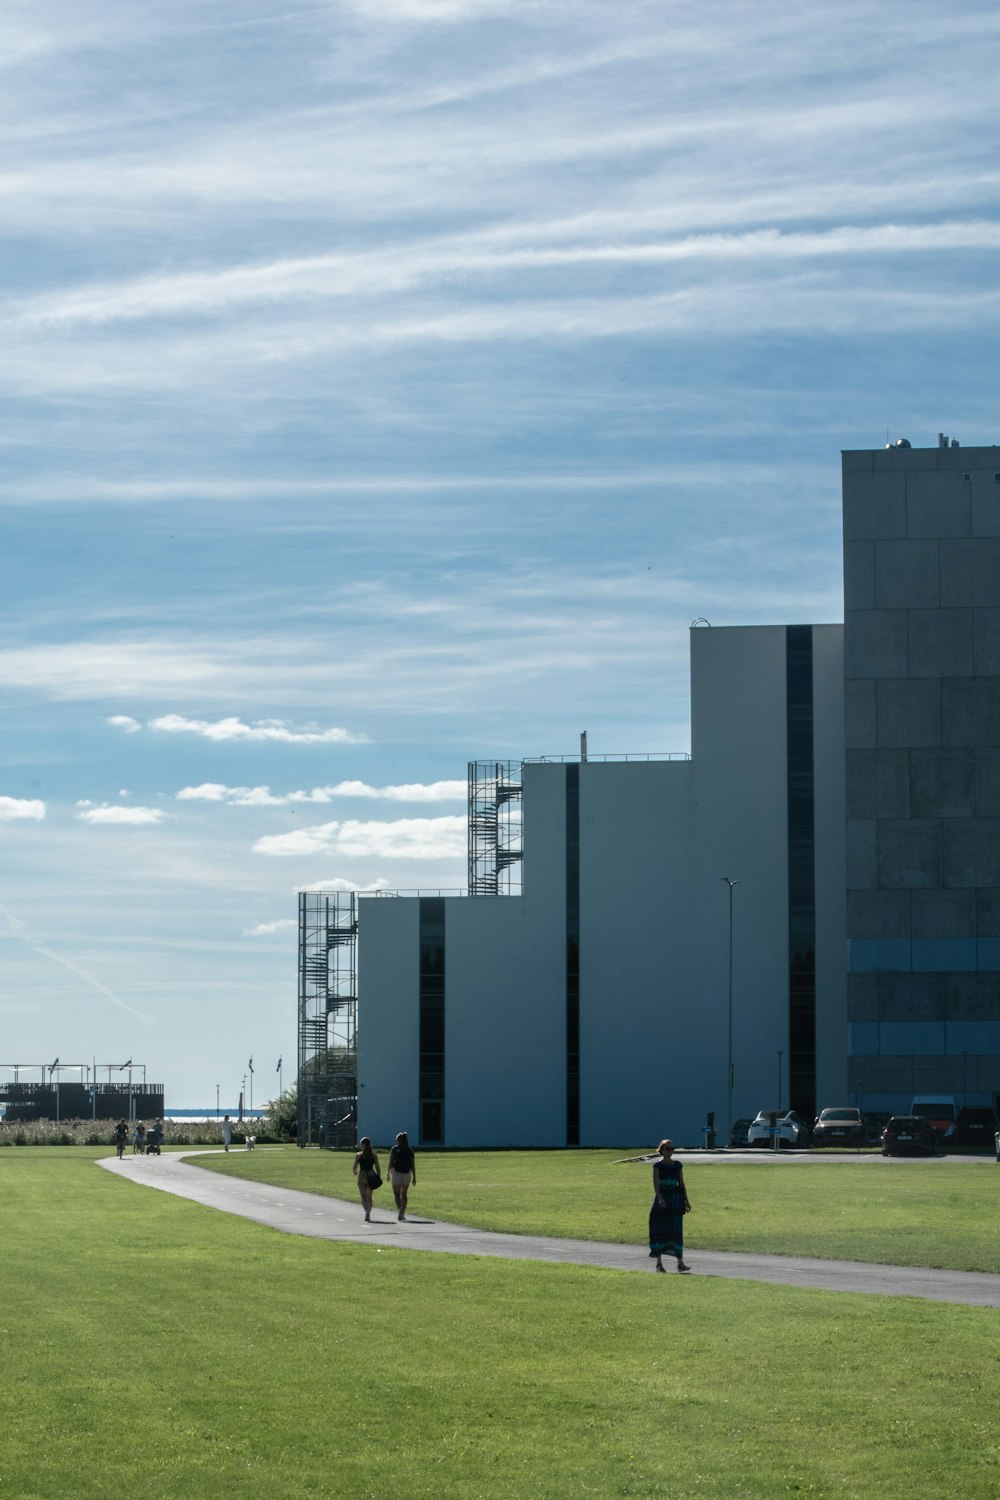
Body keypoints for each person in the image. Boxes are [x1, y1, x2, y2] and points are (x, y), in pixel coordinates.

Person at [649, 1138, 691, 1273]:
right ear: (661, 1150)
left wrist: (686, 1201)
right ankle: (659, 1264)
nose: (670, 1151)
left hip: (675, 1201)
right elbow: (656, 1185)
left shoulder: (678, 1165)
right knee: (660, 1231)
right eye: (667, 1149)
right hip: (662, 1201)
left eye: (672, 1149)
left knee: (676, 1232)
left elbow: (682, 1184)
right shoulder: (657, 1166)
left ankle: (680, 1263)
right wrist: (660, 1199)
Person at [387, 1131, 416, 1221]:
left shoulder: (395, 1149)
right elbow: (412, 1165)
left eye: (398, 1140)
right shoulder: (410, 1150)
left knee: (397, 1194)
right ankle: (401, 1212)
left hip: (397, 1173)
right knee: (403, 1194)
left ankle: (400, 1211)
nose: (396, 1142)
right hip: (406, 1174)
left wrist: (388, 1172)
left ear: (401, 1140)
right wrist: (414, 1176)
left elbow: (391, 1161)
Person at [352, 1136, 381, 1221]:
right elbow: (378, 1168)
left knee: (363, 1197)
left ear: (363, 1145)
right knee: (369, 1196)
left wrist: (355, 1172)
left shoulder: (359, 1155)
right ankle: (368, 1212)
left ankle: (367, 1211)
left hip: (362, 1175)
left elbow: (354, 1168)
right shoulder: (374, 1155)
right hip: (371, 1175)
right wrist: (377, 1177)